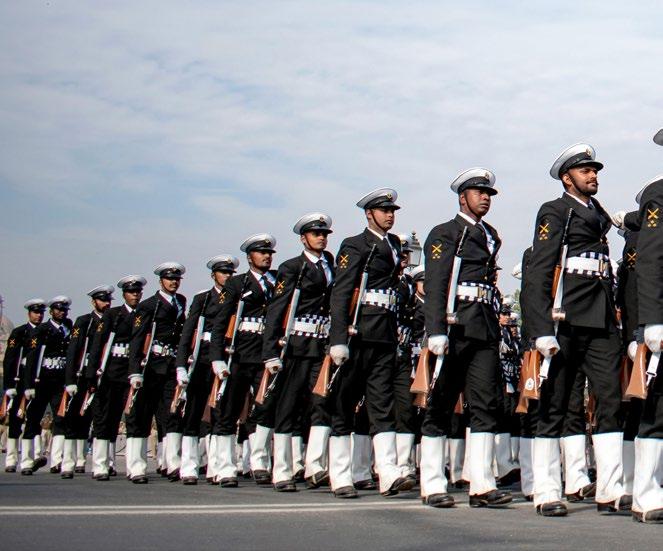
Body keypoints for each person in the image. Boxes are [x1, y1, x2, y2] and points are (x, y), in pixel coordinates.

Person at [523, 143, 629, 516]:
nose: (593, 175)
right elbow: (539, 270)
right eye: (585, 171)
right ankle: (547, 490)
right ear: (567, 178)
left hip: (600, 322)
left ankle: (610, 489)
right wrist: (540, 328)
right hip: (564, 320)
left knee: (610, 400)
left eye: (595, 170)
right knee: (554, 403)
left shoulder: (598, 214)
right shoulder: (556, 211)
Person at [422, 168, 511, 509]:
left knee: (485, 404)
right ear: (463, 197)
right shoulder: (445, 233)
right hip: (455, 327)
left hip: (484, 327)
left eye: (488, 194)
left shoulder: (490, 234)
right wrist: (435, 330)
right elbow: (436, 284)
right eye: (479, 193)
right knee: (441, 403)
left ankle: (482, 484)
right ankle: (432, 483)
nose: (485, 198)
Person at [327, 188, 413, 499]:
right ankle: (340, 475)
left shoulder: (394, 245)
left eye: (392, 211)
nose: (389, 215)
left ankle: (387, 472)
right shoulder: (355, 245)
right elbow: (341, 292)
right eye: (384, 211)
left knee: (381, 403)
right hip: (359, 333)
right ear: (369, 214)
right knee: (344, 402)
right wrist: (338, 339)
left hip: (384, 336)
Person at [262, 213, 335, 491]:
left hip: (321, 345)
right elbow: (277, 309)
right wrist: (270, 351)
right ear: (304, 238)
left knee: (321, 403)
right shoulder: (292, 267)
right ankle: (282, 470)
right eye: (316, 234)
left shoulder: (330, 266)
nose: (321, 238)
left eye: (324, 234)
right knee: (288, 405)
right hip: (295, 344)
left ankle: (314, 466)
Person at [209, 234, 277, 487]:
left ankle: (259, 462)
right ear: (250, 257)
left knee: (266, 408)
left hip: (265, 354)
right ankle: (225, 467)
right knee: (229, 409)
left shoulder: (277, 282)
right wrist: (217, 358)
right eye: (261, 253)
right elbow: (219, 323)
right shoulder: (237, 284)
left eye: (269, 253)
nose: (266, 256)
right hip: (238, 354)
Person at [174, 255, 238, 485]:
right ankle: (189, 466)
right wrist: (181, 365)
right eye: (223, 272)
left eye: (230, 273)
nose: (227, 276)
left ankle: (217, 466)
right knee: (193, 412)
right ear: (214, 275)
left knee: (221, 412)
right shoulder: (202, 299)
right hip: (202, 359)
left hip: (224, 359)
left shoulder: (236, 297)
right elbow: (188, 334)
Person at [126, 263, 187, 483]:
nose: (173, 282)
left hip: (170, 366)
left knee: (172, 413)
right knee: (141, 415)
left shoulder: (181, 302)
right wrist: (135, 371)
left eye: (176, 279)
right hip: (150, 366)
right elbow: (137, 339)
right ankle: (136, 467)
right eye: (169, 279)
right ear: (161, 281)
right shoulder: (148, 306)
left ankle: (173, 463)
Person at [86, 276, 146, 480]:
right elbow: (97, 345)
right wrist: (91, 375)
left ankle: (136, 468)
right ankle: (101, 465)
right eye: (131, 292)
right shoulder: (113, 315)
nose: (134, 295)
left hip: (133, 372)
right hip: (111, 372)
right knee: (105, 418)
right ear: (124, 294)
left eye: (137, 292)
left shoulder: (144, 314)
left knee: (134, 418)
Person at [631, 174, 663, 523]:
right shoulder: (659, 193)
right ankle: (646, 494)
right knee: (658, 407)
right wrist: (653, 320)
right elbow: (651, 258)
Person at [60, 285, 114, 478]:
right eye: (102, 300)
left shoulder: (113, 320)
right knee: (73, 418)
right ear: (94, 302)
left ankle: (97, 463)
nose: (106, 304)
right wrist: (70, 380)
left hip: (103, 375)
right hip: (82, 375)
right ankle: (68, 463)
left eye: (108, 300)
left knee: (100, 418)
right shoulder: (84, 322)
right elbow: (73, 352)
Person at [20, 296, 73, 474]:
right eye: (58, 309)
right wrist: (28, 385)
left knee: (61, 419)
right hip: (41, 381)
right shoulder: (42, 330)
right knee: (33, 419)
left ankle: (56, 461)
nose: (62, 313)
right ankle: (27, 461)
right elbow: (32, 359)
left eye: (64, 310)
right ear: (51, 311)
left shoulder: (68, 328)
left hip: (59, 382)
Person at [2, 299, 46, 473]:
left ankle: (29, 459)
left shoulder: (45, 332)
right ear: (29, 313)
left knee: (34, 420)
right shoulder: (19, 332)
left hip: (38, 382)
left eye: (41, 312)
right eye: (36, 312)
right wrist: (9, 385)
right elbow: (10, 359)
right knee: (16, 420)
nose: (39, 315)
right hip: (20, 381)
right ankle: (11, 459)